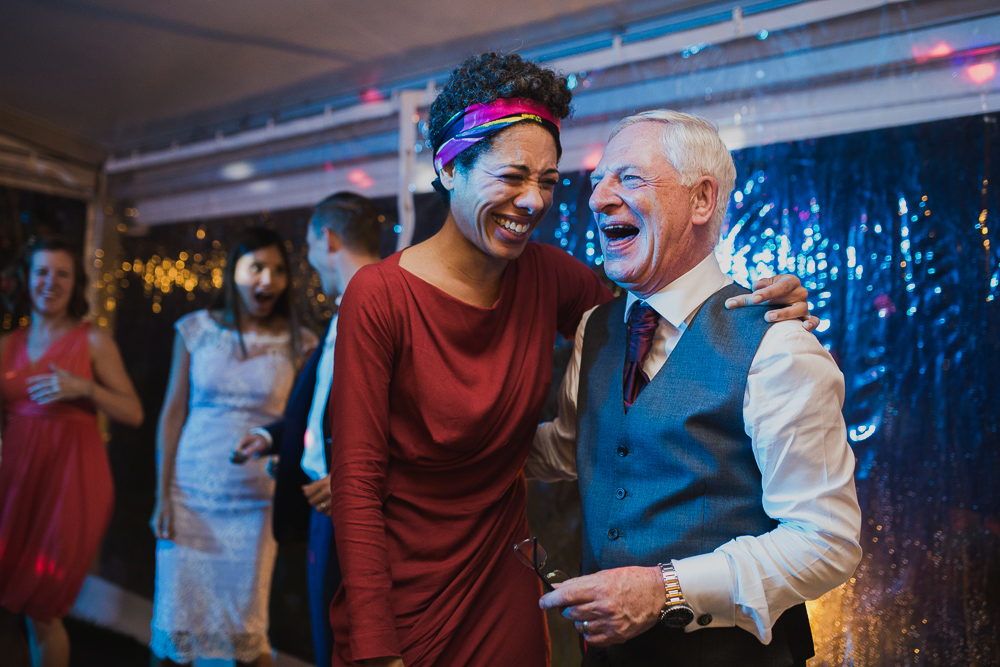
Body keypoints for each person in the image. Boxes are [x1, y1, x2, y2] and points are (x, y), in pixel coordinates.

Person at [327, 53, 812, 667]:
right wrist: (375, 647)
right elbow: (358, 485)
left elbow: (663, 317)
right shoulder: (380, 295)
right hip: (398, 587)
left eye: (549, 181)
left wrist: (751, 306)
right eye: (512, 177)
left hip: (498, 580)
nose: (533, 201)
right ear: (449, 167)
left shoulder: (549, 277)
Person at [530, 111, 863, 667]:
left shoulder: (779, 345)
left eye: (629, 179)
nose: (598, 199)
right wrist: (442, 449)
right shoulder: (597, 329)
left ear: (702, 200)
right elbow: (574, 446)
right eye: (597, 182)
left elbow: (825, 542)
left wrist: (665, 590)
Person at [150, 228, 318, 667]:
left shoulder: (302, 342)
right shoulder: (194, 330)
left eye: (279, 270)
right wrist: (162, 495)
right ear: (235, 274)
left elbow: (307, 423)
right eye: (257, 267)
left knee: (247, 631)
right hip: (189, 498)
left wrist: (289, 458)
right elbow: (172, 414)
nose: (269, 279)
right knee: (175, 628)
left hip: (255, 503)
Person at [233, 192, 383, 667]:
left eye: (309, 244)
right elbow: (326, 402)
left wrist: (350, 479)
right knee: (333, 638)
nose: (310, 259)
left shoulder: (379, 300)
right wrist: (276, 436)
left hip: (349, 503)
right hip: (326, 498)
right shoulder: (349, 304)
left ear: (328, 239)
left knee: (346, 644)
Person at [0, 236, 144, 667]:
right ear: (27, 278)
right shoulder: (7, 343)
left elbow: (134, 412)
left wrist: (85, 388)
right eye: (42, 272)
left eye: (62, 274)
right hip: (15, 481)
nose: (51, 282)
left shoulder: (93, 342)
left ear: (76, 282)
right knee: (17, 596)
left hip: (72, 484)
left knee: (44, 607)